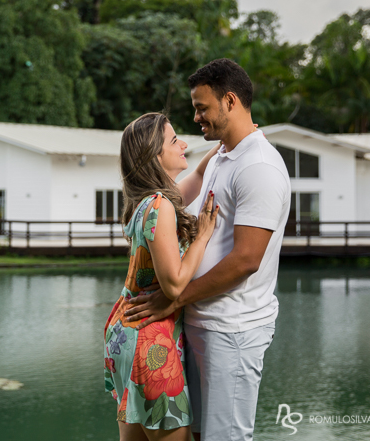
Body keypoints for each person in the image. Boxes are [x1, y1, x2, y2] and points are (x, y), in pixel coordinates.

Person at [124, 59, 291, 441]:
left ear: (229, 101)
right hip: (197, 325)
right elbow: (177, 200)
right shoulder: (222, 157)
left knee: (225, 437)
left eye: (202, 107)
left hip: (231, 329)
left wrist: (175, 298)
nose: (196, 117)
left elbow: (247, 259)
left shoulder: (259, 167)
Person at [104, 112, 221, 441]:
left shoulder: (146, 203)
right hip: (151, 343)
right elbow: (173, 284)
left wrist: (229, 142)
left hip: (126, 335)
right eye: (174, 141)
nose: (184, 144)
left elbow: (198, 175)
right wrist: (203, 236)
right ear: (154, 156)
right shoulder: (160, 207)